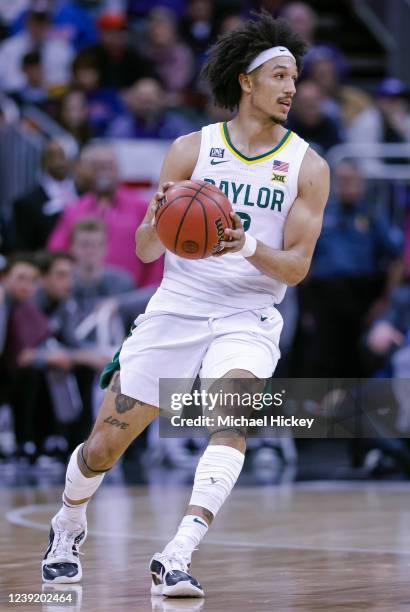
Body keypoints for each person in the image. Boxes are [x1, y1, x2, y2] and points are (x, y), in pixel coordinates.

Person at [41, 13, 329, 597]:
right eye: (279, 75)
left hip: (249, 315)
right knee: (103, 447)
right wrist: (159, 221)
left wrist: (243, 242)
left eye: (295, 78)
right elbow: (147, 247)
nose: (291, 87)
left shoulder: (308, 166)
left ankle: (177, 553)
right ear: (247, 82)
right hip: (176, 306)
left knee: (232, 420)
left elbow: (296, 268)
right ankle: (68, 521)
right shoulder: (190, 149)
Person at [48, 144, 164, 287]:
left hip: (130, 296)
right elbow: (57, 252)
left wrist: (147, 294)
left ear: (118, 169)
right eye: (97, 166)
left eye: (109, 165)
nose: (104, 171)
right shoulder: (74, 209)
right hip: (81, 294)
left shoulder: (141, 207)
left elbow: (155, 253)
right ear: (86, 171)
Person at [13, 139, 77, 251]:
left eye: (63, 156)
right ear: (43, 161)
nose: (59, 162)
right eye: (53, 157)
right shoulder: (27, 202)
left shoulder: (86, 195)